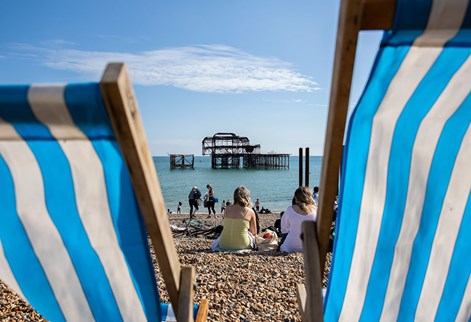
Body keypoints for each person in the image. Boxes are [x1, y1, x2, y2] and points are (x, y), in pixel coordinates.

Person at [218, 186, 257, 251]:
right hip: (242, 245)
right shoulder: (249, 211)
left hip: (223, 244)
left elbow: (226, 226)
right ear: (247, 197)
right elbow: (254, 232)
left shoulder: (227, 208)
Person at [280, 187, 317, 253]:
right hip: (310, 246)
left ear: (296, 198)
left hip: (290, 247)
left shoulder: (290, 209)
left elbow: (284, 228)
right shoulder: (315, 209)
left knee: (285, 235)